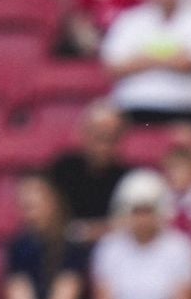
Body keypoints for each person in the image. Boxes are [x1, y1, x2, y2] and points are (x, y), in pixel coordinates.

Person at [91, 169, 191, 299]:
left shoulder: (181, 248)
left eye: (148, 210)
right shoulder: (108, 248)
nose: (142, 218)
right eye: (137, 211)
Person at [100, 0, 191, 124]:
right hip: (134, 104)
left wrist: (145, 59)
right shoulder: (131, 19)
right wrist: (172, 58)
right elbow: (115, 67)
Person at [6, 174, 94, 299]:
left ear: (53, 200)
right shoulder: (19, 247)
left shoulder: (72, 246)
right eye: (24, 193)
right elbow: (18, 296)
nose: (28, 198)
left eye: (35, 192)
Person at [46, 102, 129, 241]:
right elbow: (49, 216)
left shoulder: (127, 178)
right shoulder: (63, 169)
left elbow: (131, 223)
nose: (104, 146)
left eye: (112, 138)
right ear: (84, 134)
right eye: (99, 136)